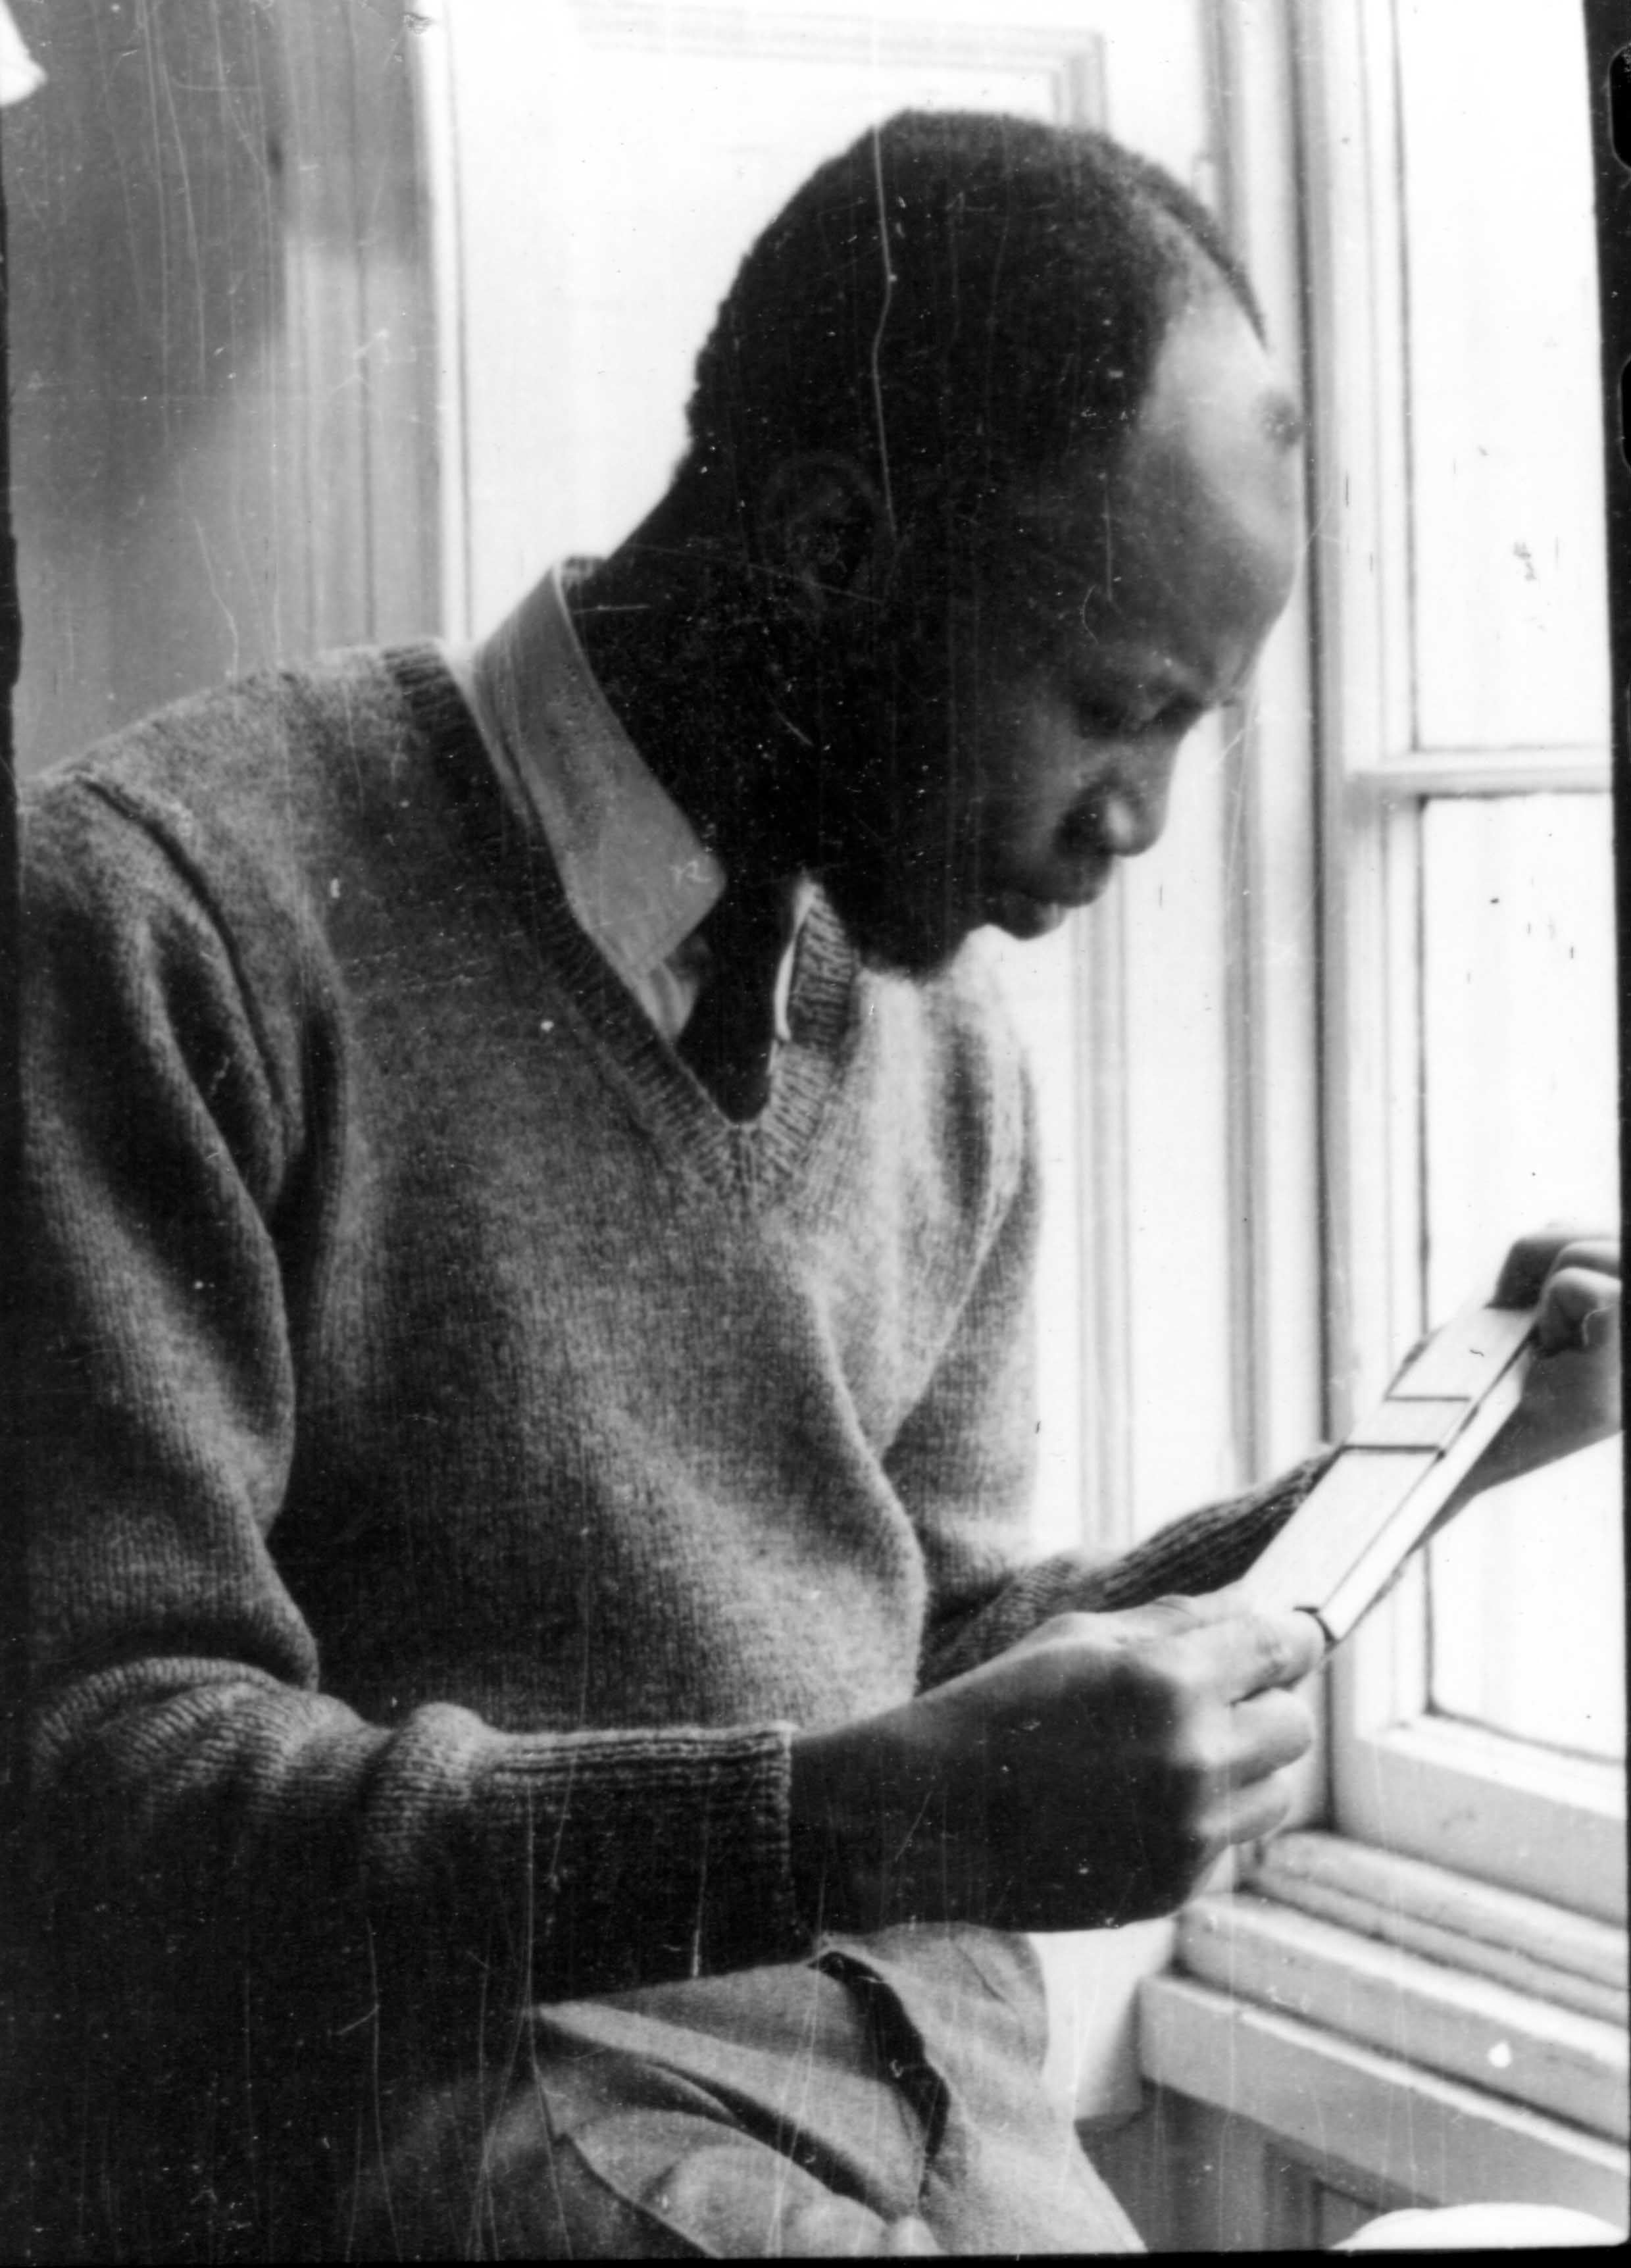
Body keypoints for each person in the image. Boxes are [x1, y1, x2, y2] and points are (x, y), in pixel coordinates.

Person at [16, 113, 1620, 2259]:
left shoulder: (937, 1034)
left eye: (1197, 736)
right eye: (1114, 707)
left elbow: (934, 1652)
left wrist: (1433, 1457)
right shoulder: (168, 920)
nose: (1138, 821)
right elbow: (104, 1793)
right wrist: (855, 1816)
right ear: (831, 545)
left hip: (923, 2109)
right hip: (453, 2118)